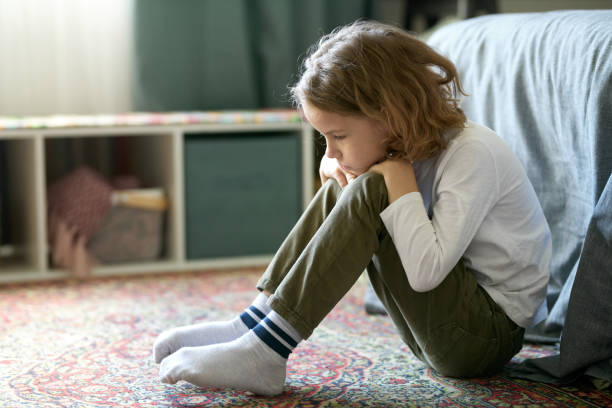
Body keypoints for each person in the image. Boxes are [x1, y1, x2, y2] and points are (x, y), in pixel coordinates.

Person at [153, 20, 551, 396]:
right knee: (352, 185)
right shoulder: (404, 145)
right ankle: (255, 324)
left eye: (337, 136)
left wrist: (392, 181)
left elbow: (427, 273)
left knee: (371, 187)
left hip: (483, 339)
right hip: (438, 329)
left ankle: (266, 351)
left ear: (390, 115)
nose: (330, 150)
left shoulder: (472, 153)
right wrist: (342, 164)